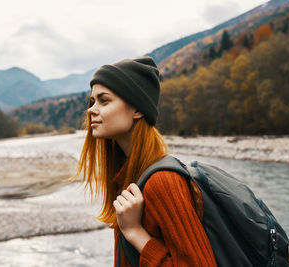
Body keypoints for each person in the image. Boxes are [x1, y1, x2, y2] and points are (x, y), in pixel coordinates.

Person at [74, 56, 217, 266]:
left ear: (137, 110)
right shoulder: (126, 176)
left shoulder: (163, 182)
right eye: (92, 101)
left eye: (104, 100)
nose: (91, 110)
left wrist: (135, 232)